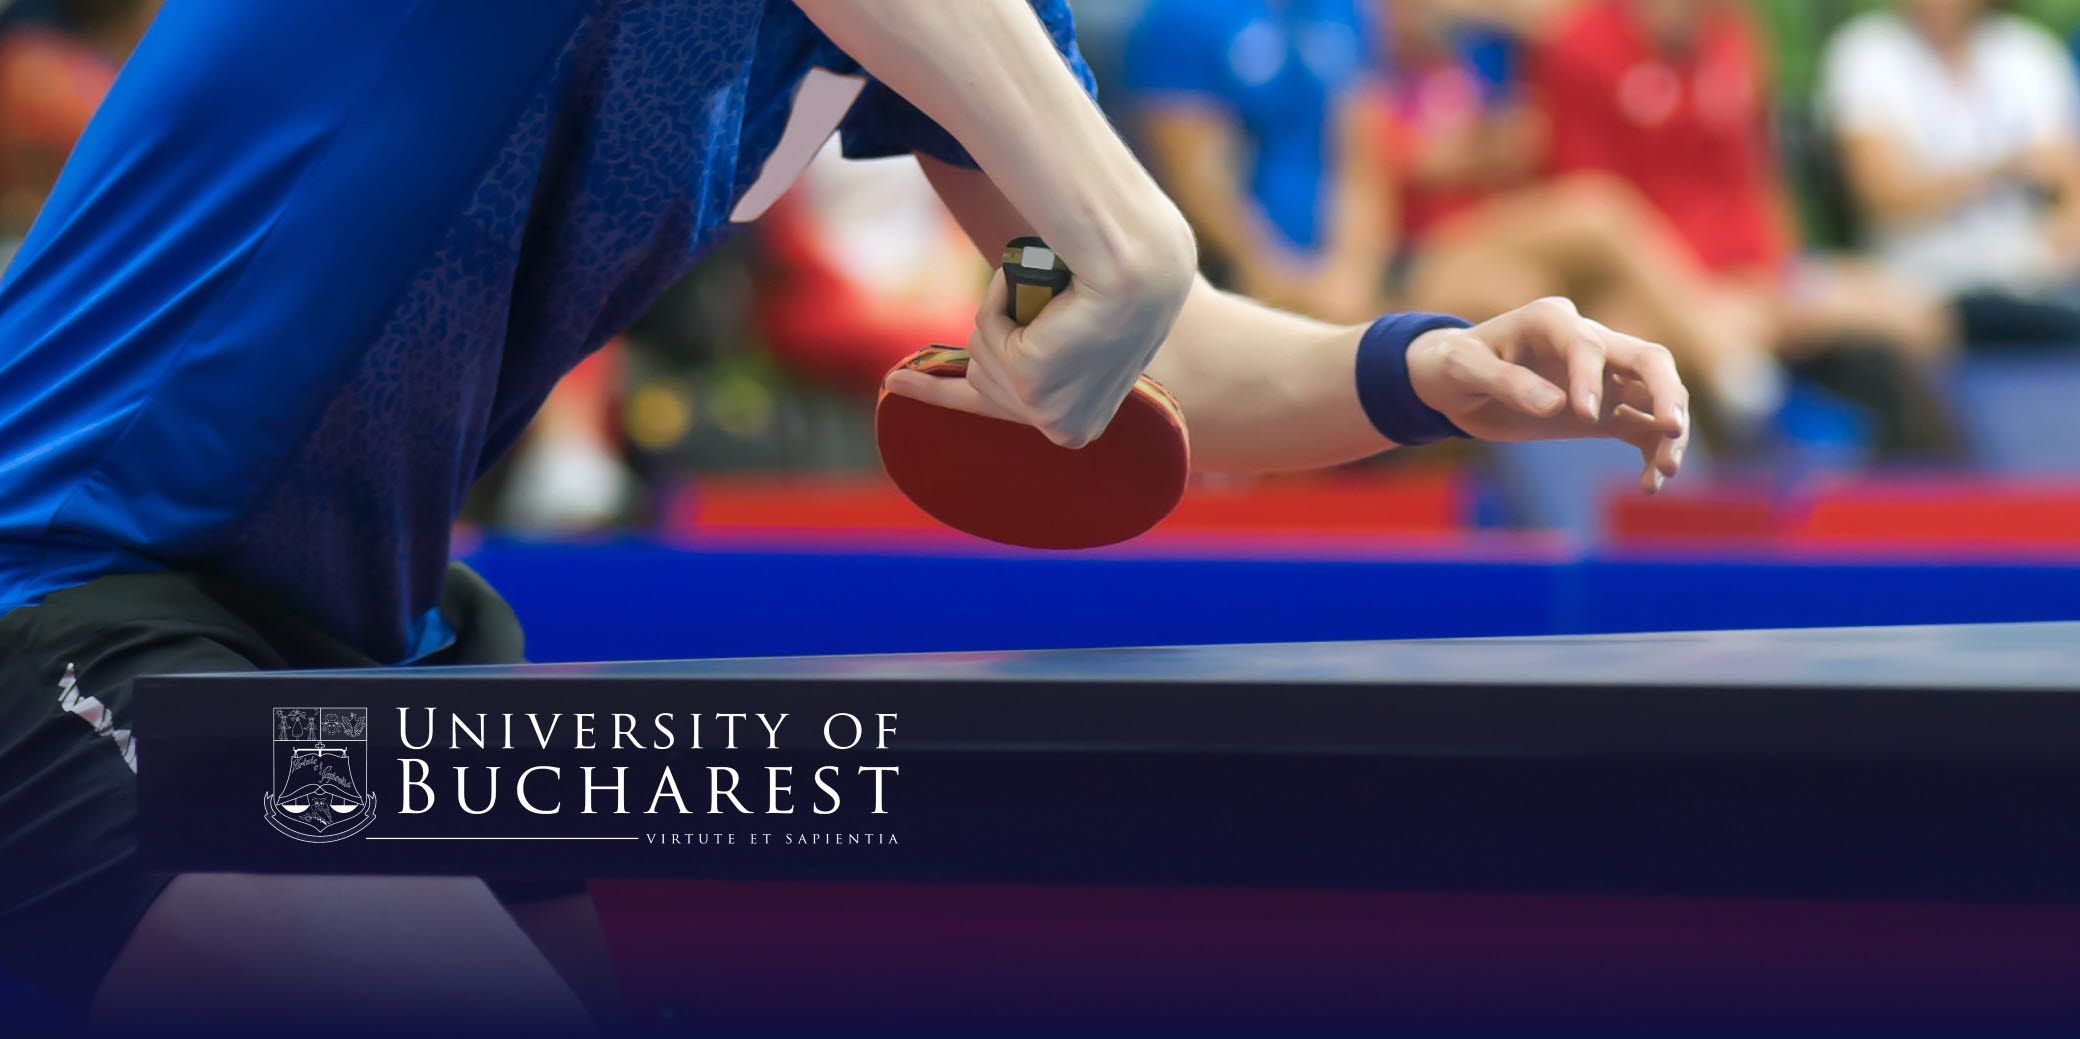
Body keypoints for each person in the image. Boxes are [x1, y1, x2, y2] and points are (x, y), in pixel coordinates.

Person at [0, 0, 1688, 1028]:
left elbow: (1153, 348)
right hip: (68, 594)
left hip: (372, 645)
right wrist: (1131, 231)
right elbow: (1126, 259)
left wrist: (1429, 369)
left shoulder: (936, 31)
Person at [1533, 0, 1960, 454]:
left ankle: (1906, 491)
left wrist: (1779, 278)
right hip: (1661, 288)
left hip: (1757, 279)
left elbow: (1760, 179)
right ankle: (1761, 445)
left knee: (1918, 316)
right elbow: (1588, 204)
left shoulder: (1734, 38)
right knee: (1644, 340)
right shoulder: (1580, 47)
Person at [1819, 0, 2080, 345]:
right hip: (1920, 284)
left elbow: (2070, 181)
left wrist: (2065, 230)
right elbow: (1882, 195)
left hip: (2035, 278)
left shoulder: (2030, 54)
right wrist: (1998, 172)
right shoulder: (1865, 54)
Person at [1121, 0, 1394, 322]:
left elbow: (1361, 161)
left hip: (1335, 265)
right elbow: (1193, 177)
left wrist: (1354, 271)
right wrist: (1270, 275)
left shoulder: (1347, 10)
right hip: (1224, 272)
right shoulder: (1182, 15)